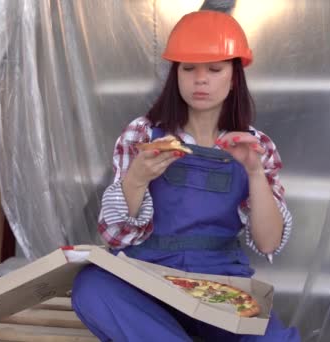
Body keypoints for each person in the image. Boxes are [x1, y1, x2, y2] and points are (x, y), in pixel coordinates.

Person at [71, 10, 300, 342]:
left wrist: (254, 172)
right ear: (175, 74)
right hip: (147, 280)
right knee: (92, 287)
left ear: (234, 76)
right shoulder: (143, 133)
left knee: (277, 338)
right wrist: (136, 178)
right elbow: (114, 236)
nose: (200, 79)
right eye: (188, 68)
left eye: (214, 69)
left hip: (220, 289)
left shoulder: (256, 145)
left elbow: (268, 243)